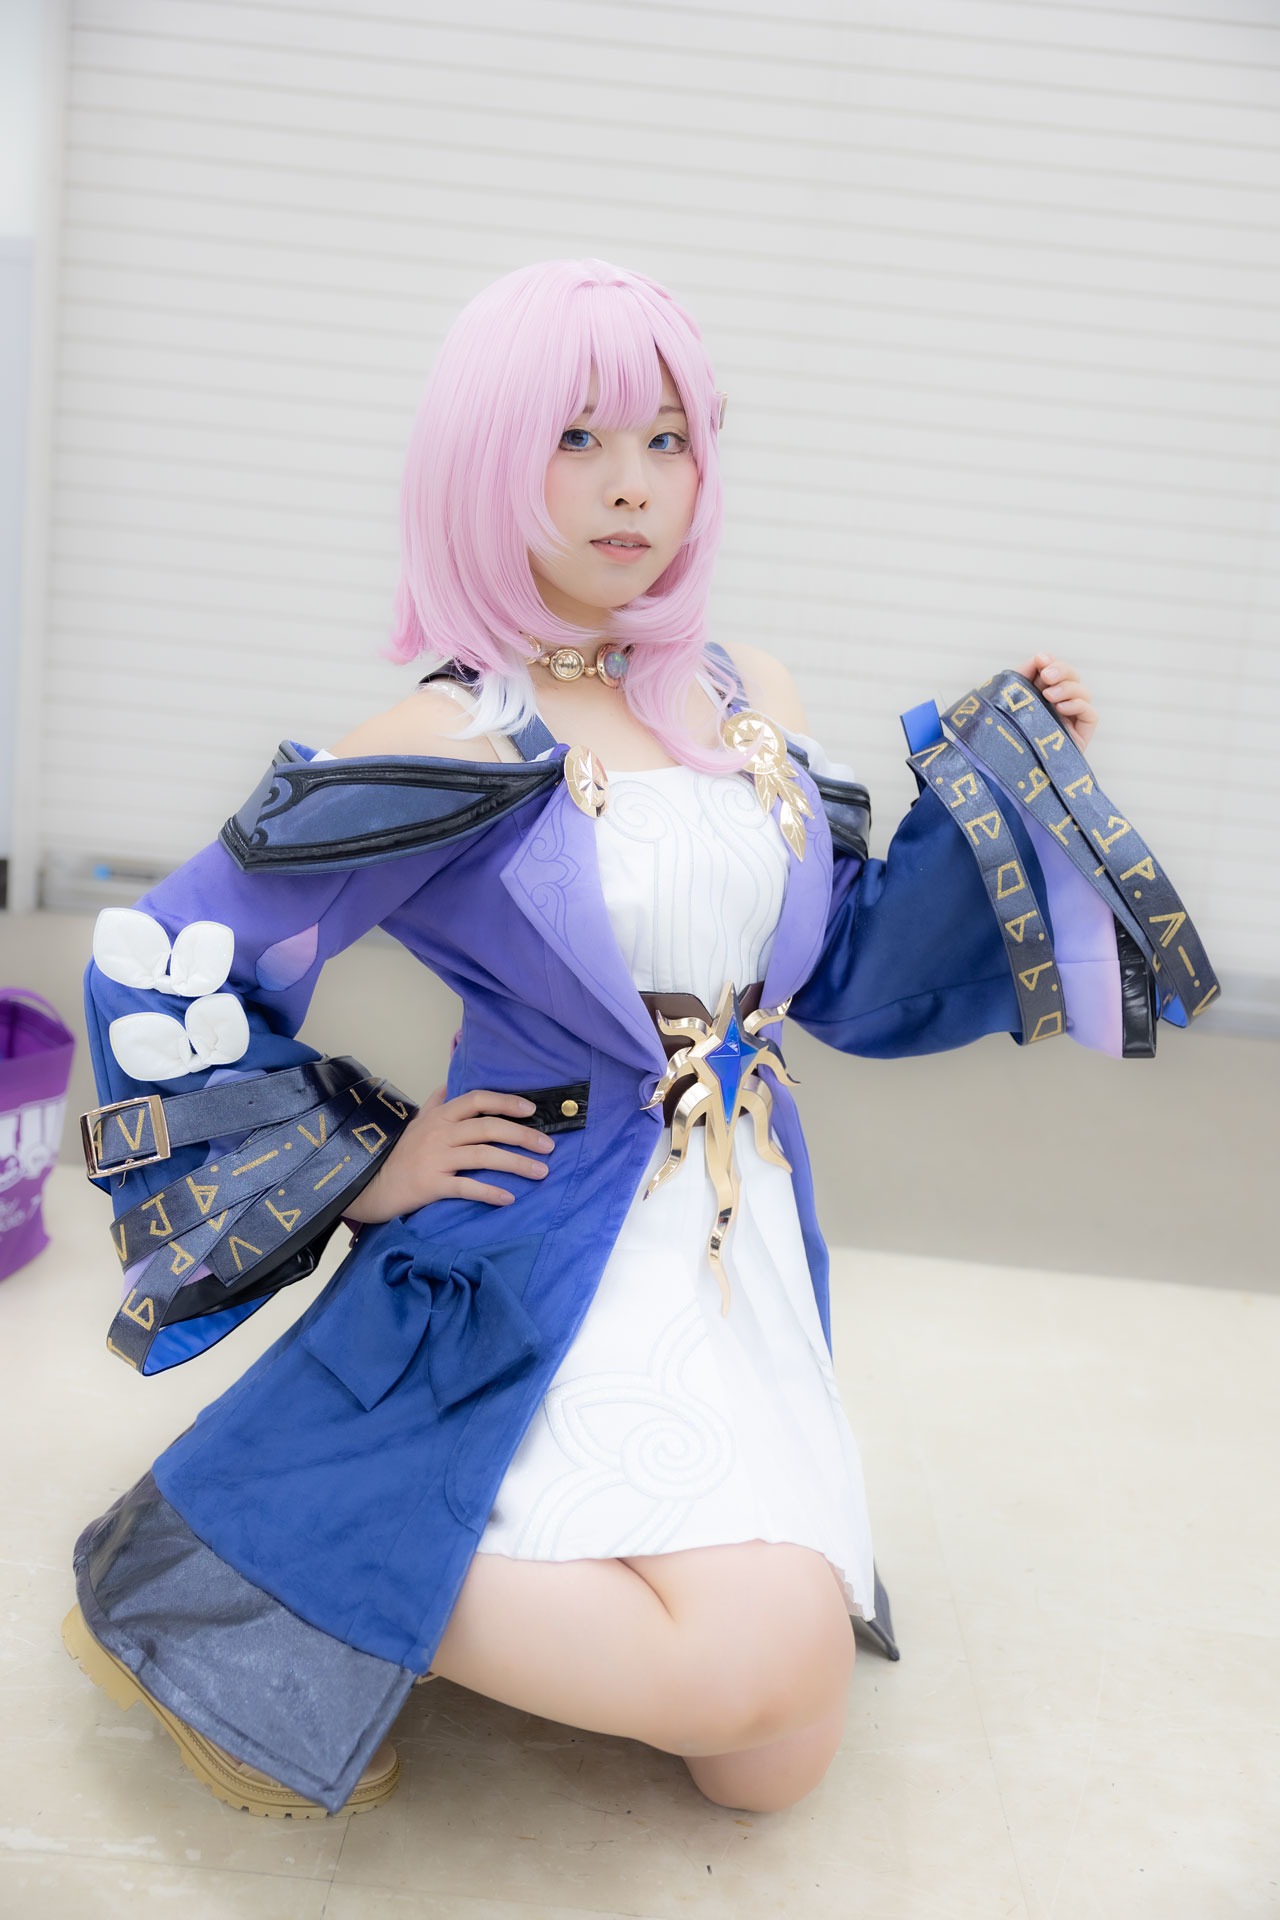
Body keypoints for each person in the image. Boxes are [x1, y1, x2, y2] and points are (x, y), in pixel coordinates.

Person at [63, 258, 1208, 1821]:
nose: (633, 486)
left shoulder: (745, 694)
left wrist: (1011, 781)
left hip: (733, 1229)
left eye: (667, 441)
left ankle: (404, 1551)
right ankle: (266, 1550)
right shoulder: (454, 735)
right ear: (484, 459)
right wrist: (370, 1164)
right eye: (578, 439)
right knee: (759, 1667)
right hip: (542, 1240)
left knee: (767, 1766)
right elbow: (170, 954)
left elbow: (844, 973)